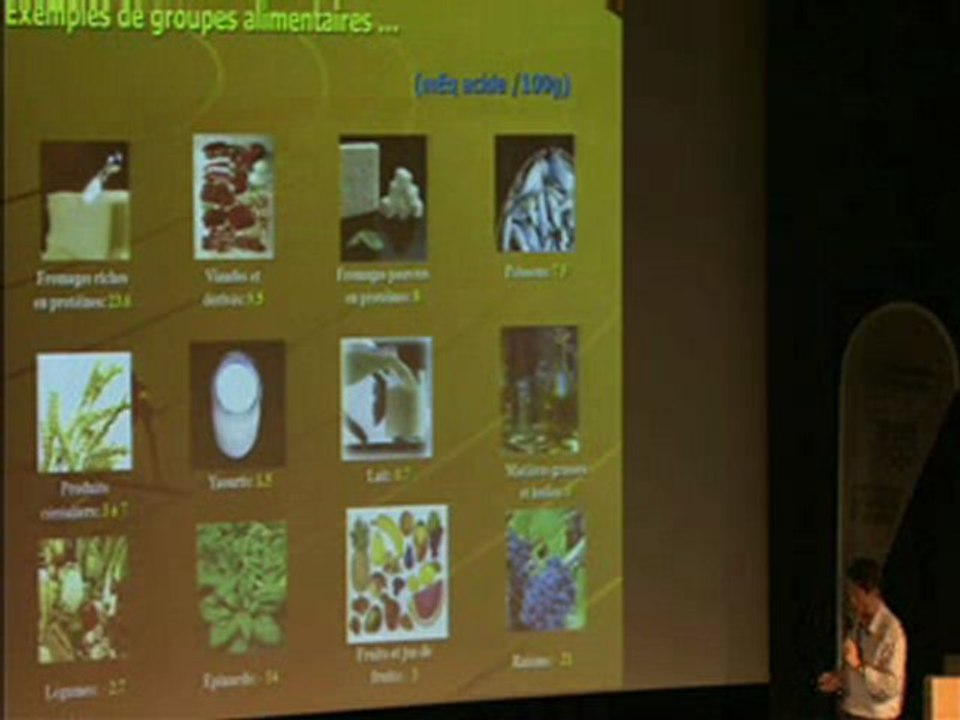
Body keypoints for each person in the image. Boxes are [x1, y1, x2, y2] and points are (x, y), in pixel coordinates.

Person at [818, 557, 908, 720]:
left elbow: (890, 687)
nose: (852, 601)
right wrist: (839, 679)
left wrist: (859, 666)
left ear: (872, 592)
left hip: (875, 716)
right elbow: (852, 669)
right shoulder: (858, 624)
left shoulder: (891, 631)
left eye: (856, 594)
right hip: (851, 711)